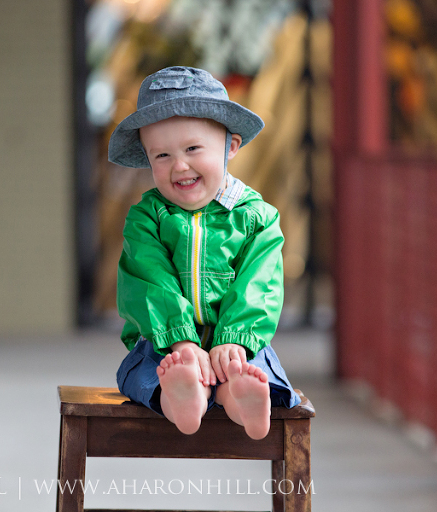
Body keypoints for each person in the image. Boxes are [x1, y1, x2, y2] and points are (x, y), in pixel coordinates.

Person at [109, 66, 300, 439]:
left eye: (193, 148)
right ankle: (184, 394)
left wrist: (234, 339)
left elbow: (259, 284)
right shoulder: (146, 218)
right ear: (148, 159)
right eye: (161, 155)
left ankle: (239, 393)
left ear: (230, 145)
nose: (179, 165)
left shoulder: (257, 218)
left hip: (241, 346)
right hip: (165, 344)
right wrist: (181, 343)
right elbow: (149, 281)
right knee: (148, 371)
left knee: (249, 368)